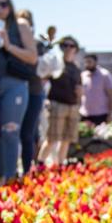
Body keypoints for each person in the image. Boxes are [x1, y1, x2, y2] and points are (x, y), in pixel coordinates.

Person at [0, 0, 38, 181]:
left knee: (10, 130)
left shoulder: (20, 25)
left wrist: (9, 46)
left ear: (10, 6)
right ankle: (2, 177)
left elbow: (32, 57)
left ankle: (10, 177)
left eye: (3, 4)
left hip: (15, 84)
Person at [40, 35, 83, 167]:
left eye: (71, 46)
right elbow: (43, 80)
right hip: (56, 104)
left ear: (76, 49)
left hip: (73, 106)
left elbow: (79, 89)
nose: (68, 48)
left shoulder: (76, 68)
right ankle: (40, 165)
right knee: (52, 138)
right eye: (65, 45)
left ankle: (59, 166)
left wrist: (79, 104)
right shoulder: (56, 63)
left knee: (66, 140)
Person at [16, 8, 47, 174]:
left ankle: (28, 169)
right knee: (13, 131)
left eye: (26, 20)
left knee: (28, 132)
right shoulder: (10, 43)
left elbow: (45, 68)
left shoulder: (39, 45)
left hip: (34, 91)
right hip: (15, 89)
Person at [80, 53, 112, 125]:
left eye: (89, 62)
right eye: (86, 62)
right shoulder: (83, 75)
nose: (87, 64)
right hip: (84, 114)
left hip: (101, 115)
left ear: (95, 62)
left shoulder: (105, 75)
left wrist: (110, 114)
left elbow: (111, 95)